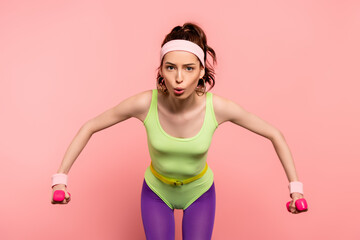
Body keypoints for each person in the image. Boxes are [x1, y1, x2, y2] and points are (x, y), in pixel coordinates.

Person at [51, 22, 308, 240]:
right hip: (156, 191)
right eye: (171, 67)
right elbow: (91, 126)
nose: (179, 78)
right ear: (161, 70)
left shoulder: (217, 108)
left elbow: (275, 134)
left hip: (199, 193)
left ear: (202, 71)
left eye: (189, 68)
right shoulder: (144, 103)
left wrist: (295, 189)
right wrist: (60, 179)